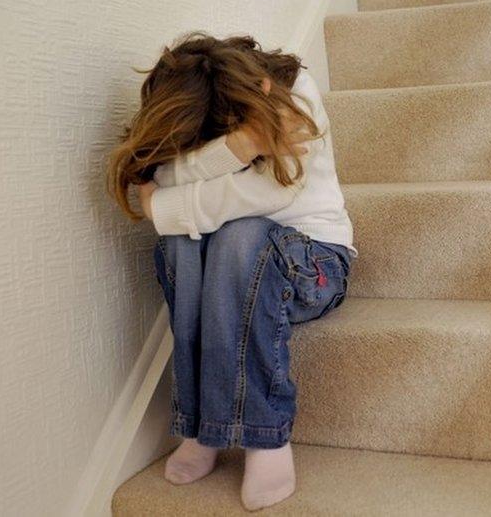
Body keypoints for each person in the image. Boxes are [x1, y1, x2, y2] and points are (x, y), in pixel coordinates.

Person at [106, 30, 356, 511]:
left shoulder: (292, 91)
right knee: (184, 242)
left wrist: (166, 205)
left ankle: (265, 436)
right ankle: (205, 428)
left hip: (314, 265)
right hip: (229, 273)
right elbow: (156, 173)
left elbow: (270, 194)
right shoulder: (194, 101)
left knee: (240, 234)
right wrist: (238, 148)